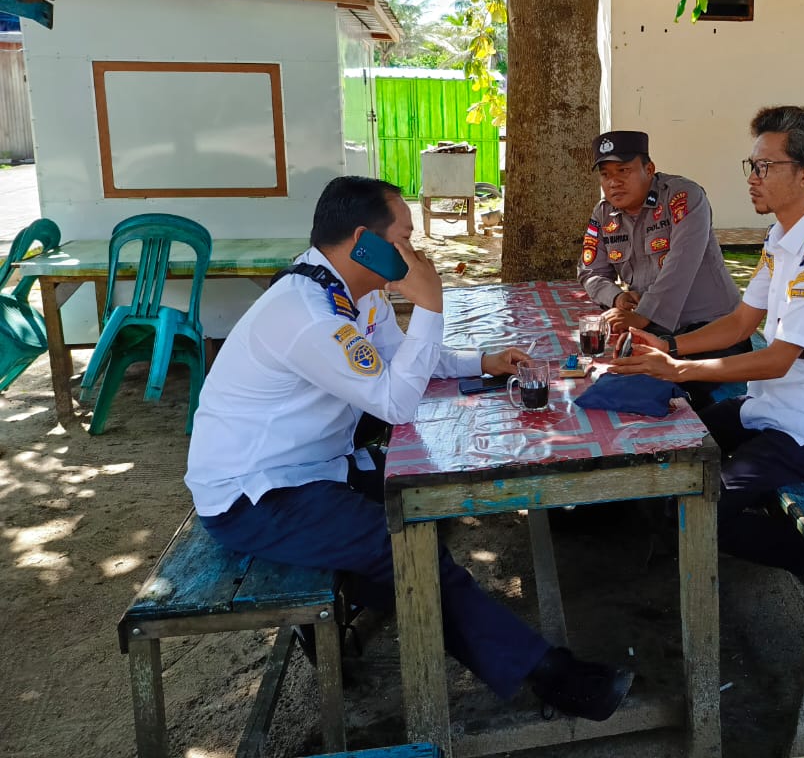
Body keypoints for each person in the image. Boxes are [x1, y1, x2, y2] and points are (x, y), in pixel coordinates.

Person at [185, 175, 632, 721]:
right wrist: (431, 304)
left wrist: (480, 361)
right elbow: (395, 402)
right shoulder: (305, 315)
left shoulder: (352, 292)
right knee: (405, 545)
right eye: (404, 238)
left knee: (428, 501)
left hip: (315, 466)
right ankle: (550, 676)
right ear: (363, 242)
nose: (415, 253)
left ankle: (382, 601)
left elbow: (404, 359)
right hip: (254, 494)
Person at [612, 107, 804, 583]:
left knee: (693, 509)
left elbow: (777, 360)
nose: (753, 177)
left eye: (766, 166)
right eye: (752, 165)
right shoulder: (781, 238)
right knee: (664, 452)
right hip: (766, 409)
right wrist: (669, 345)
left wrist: (680, 369)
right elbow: (738, 323)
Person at [577, 130, 750, 409]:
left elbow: (681, 265)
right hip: (654, 332)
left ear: (649, 169)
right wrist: (618, 298)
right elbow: (590, 271)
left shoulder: (684, 197)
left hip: (712, 332)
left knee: (657, 391)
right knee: (600, 380)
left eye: (623, 170)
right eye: (605, 175)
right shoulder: (603, 213)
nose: (613, 182)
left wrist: (642, 315)